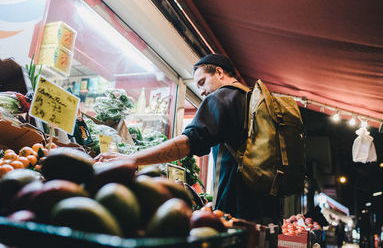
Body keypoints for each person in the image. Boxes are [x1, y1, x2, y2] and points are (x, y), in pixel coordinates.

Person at [95, 53, 280, 224]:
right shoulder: (254, 100)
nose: (201, 92)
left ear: (219, 72)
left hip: (238, 209)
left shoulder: (222, 97)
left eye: (202, 82)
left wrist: (131, 158)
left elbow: (187, 143)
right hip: (269, 209)